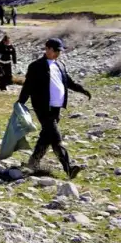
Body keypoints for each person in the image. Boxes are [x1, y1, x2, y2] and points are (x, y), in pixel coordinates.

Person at [18, 38, 91, 179]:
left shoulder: (60, 65)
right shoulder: (36, 66)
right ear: (48, 49)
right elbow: (28, 86)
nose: (58, 53)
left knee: (46, 137)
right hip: (43, 107)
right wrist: (20, 103)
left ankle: (32, 163)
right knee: (56, 138)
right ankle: (68, 168)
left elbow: (69, 82)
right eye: (56, 50)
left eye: (60, 51)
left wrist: (83, 90)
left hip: (57, 108)